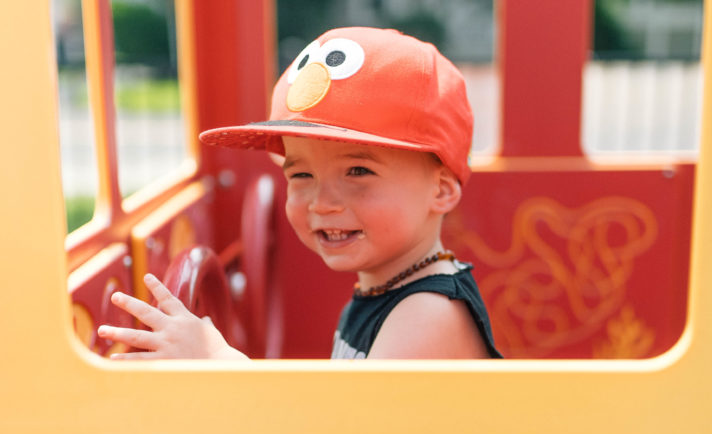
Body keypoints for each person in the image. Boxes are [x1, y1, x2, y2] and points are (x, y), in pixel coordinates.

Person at [98, 26, 502, 360]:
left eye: (358, 170)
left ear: (442, 191)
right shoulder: (389, 288)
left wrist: (220, 363)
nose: (322, 202)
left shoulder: (428, 313)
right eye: (301, 175)